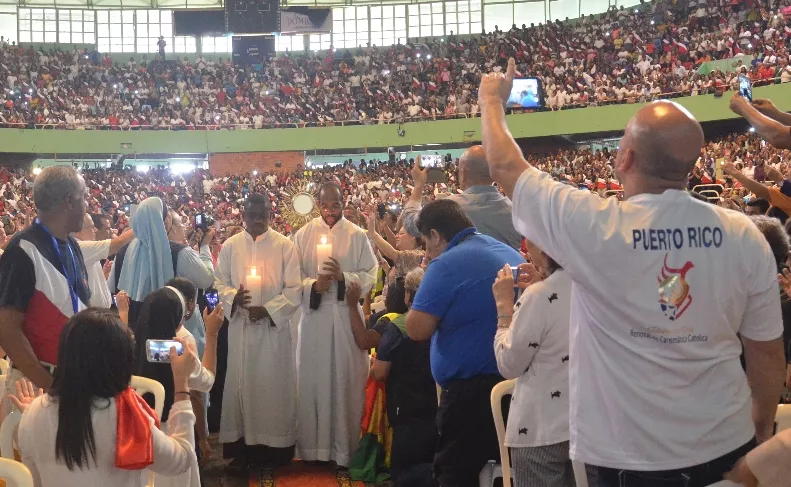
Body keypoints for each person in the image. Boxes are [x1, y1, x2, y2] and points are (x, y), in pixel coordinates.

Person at [478, 58, 786, 486]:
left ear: (624, 158)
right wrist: (759, 429)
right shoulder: (744, 235)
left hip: (627, 458)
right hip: (725, 442)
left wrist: (491, 99)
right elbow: (767, 353)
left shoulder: (593, 226)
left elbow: (506, 168)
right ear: (690, 165)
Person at [405, 198, 523, 487]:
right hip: (516, 388)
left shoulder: (446, 263)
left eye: (424, 242)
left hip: (470, 395)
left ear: (434, 235)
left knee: (454, 474)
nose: (426, 251)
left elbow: (416, 328)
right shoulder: (506, 251)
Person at [11, 308, 198, 487]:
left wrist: (36, 414)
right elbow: (182, 459)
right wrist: (181, 384)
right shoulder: (126, 418)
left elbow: (35, 479)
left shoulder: (32, 414)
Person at [214, 193, 302, 473]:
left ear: (271, 215)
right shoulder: (230, 246)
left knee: (273, 387)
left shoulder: (285, 246)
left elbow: (295, 288)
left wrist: (268, 310)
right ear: (244, 216)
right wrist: (234, 297)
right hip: (241, 330)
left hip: (273, 334)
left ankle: (276, 448)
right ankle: (244, 448)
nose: (258, 220)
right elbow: (219, 283)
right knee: (243, 386)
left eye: (263, 215)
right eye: (252, 215)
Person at [293, 182, 378, 467]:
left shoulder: (356, 235)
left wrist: (344, 277)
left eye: (336, 205)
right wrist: (314, 285)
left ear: (344, 203)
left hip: (345, 316)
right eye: (326, 206)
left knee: (345, 381)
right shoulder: (303, 235)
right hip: (315, 318)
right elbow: (294, 281)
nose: (331, 212)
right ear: (318, 205)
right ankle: (314, 450)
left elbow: (371, 273)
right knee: (314, 382)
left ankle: (344, 450)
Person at [0, 166, 91, 421]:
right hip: (34, 386)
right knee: (29, 462)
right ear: (70, 202)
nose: (87, 204)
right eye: (84, 197)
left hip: (69, 379)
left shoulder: (72, 245)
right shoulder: (22, 250)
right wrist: (50, 384)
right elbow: (7, 329)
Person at [492, 242, 574, 487]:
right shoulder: (595, 284)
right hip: (590, 424)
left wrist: (504, 307)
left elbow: (509, 363)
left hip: (542, 427)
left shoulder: (539, 296)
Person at [354, 268, 438, 487]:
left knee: (405, 475)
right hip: (437, 409)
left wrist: (372, 365)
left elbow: (380, 373)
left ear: (408, 296)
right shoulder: (442, 324)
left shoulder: (397, 326)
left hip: (406, 411)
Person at [134, 286, 223, 487]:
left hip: (138, 433)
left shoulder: (130, 345)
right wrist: (212, 334)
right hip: (174, 434)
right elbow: (207, 381)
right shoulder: (178, 353)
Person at [109, 197, 214, 331]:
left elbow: (111, 290)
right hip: (175, 335)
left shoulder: (122, 252)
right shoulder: (181, 254)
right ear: (162, 222)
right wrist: (204, 246)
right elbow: (207, 279)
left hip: (132, 332)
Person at [72, 213, 135, 308]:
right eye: (92, 227)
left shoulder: (83, 248)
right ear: (79, 230)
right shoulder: (78, 247)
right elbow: (118, 242)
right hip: (93, 317)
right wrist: (140, 226)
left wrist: (103, 274)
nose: (95, 230)